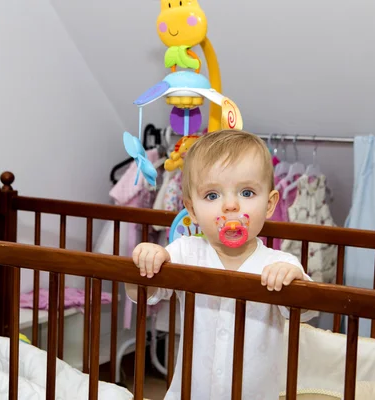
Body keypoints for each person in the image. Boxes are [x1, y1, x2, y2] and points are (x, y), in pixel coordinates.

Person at [125, 129, 317, 399]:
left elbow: (307, 308)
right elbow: (142, 294)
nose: (230, 206)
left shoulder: (279, 264)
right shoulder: (184, 252)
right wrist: (143, 263)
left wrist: (293, 281)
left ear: (271, 204)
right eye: (213, 196)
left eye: (247, 192)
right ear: (191, 210)